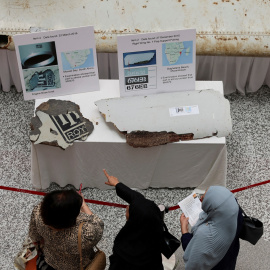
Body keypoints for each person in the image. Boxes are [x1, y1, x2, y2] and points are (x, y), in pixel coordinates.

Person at [103, 169, 164, 270]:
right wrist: (117, 184)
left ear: (134, 221)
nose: (127, 207)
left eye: (130, 209)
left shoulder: (124, 250)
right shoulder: (154, 230)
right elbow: (139, 200)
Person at [28, 189, 104, 270]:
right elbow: (98, 224)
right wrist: (83, 205)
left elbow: (34, 236)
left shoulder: (37, 213)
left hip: (50, 260)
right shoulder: (86, 234)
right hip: (76, 266)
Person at [180, 186, 243, 270]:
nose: (201, 198)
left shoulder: (206, 234)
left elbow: (193, 252)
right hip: (229, 259)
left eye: (203, 198)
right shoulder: (235, 209)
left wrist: (184, 231)